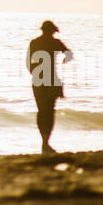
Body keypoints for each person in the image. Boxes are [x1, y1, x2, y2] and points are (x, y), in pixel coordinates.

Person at [27, 19, 73, 154]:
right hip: (52, 81)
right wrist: (66, 59)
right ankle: (45, 143)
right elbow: (69, 54)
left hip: (38, 81)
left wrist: (36, 73)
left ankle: (44, 143)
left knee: (42, 111)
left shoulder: (34, 43)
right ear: (52, 31)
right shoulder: (55, 42)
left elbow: (29, 64)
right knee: (49, 112)